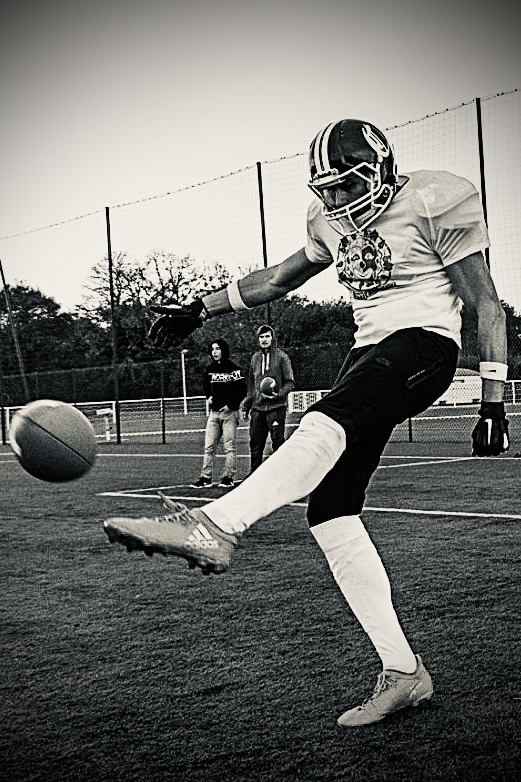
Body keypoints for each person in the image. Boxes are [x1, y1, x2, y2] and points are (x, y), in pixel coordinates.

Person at [104, 119, 509, 727]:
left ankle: (215, 525)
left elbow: (486, 303)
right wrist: (198, 308)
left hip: (424, 345)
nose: (340, 198)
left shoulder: (434, 198)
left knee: (324, 421)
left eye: (350, 184)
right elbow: (277, 278)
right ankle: (404, 673)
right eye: (330, 189)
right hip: (367, 353)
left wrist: (493, 401)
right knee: (331, 511)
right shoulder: (328, 221)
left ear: (382, 170)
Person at [191, 339, 247, 489]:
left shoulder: (234, 369)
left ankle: (228, 477)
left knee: (229, 447)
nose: (215, 352)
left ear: (224, 350)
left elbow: (242, 390)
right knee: (209, 447)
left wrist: (231, 406)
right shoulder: (210, 369)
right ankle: (205, 478)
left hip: (229, 414)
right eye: (212, 349)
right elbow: (206, 386)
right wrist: (208, 397)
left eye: (218, 349)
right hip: (214, 414)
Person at [241, 324, 295, 473]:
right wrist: (246, 405)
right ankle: (254, 475)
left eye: (267, 336)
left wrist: (279, 394)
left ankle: (280, 474)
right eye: (261, 336)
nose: (264, 339)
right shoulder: (255, 358)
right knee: (255, 444)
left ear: (272, 338)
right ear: (258, 339)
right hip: (258, 409)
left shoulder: (282, 357)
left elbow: (290, 382)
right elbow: (252, 386)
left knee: (277, 442)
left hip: (276, 408)